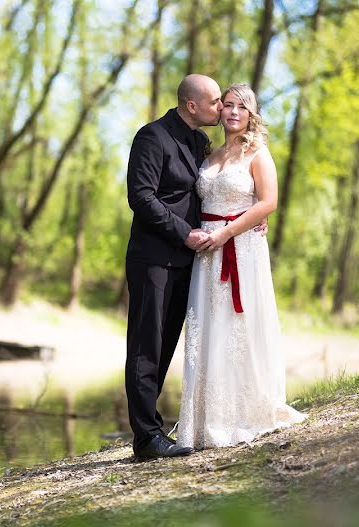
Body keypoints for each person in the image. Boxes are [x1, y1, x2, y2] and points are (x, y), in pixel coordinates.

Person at [175, 83, 306, 449]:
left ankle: (243, 415)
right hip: (206, 251)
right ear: (218, 112)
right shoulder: (209, 154)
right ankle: (204, 422)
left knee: (239, 329)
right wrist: (207, 235)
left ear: (251, 115)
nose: (232, 112)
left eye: (241, 107)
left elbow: (268, 202)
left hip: (241, 247)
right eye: (227, 105)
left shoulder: (258, 153)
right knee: (208, 329)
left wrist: (228, 232)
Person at [124, 74, 221, 462]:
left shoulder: (200, 142)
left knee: (164, 346)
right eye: (215, 101)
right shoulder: (152, 136)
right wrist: (184, 233)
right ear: (191, 104)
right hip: (153, 260)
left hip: (187, 262)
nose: (221, 107)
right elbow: (141, 197)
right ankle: (146, 437)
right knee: (145, 347)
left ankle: (152, 429)